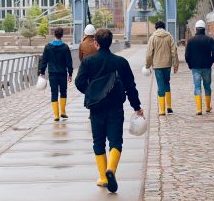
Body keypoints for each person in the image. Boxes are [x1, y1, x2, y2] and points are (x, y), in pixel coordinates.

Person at [75, 29, 144, 193]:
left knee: (98, 142)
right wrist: (137, 106)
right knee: (116, 142)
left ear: (96, 43)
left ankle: (103, 177)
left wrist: (92, 92)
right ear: (111, 42)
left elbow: (79, 82)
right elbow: (130, 87)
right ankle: (111, 170)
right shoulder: (121, 62)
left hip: (96, 108)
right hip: (115, 107)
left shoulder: (88, 62)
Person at [145, 20, 179, 116]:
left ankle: (162, 110)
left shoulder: (153, 38)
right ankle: (169, 107)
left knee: (160, 86)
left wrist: (147, 65)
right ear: (164, 27)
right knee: (167, 83)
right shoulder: (169, 36)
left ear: (156, 28)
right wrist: (175, 64)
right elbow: (174, 51)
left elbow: (149, 54)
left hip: (158, 66)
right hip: (167, 65)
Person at [39, 27, 73, 121]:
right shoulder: (65, 47)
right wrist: (70, 73)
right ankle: (63, 111)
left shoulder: (48, 47)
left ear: (55, 34)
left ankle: (56, 115)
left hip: (52, 74)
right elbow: (69, 62)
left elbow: (44, 61)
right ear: (62, 35)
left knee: (54, 93)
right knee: (63, 92)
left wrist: (41, 72)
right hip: (62, 73)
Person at [185, 20, 214, 115]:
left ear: (196, 29)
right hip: (207, 67)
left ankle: (199, 109)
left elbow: (187, 55)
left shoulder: (191, 41)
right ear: (204, 29)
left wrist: (189, 64)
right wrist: (211, 61)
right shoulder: (209, 40)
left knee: (197, 87)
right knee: (207, 86)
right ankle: (208, 107)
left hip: (195, 67)